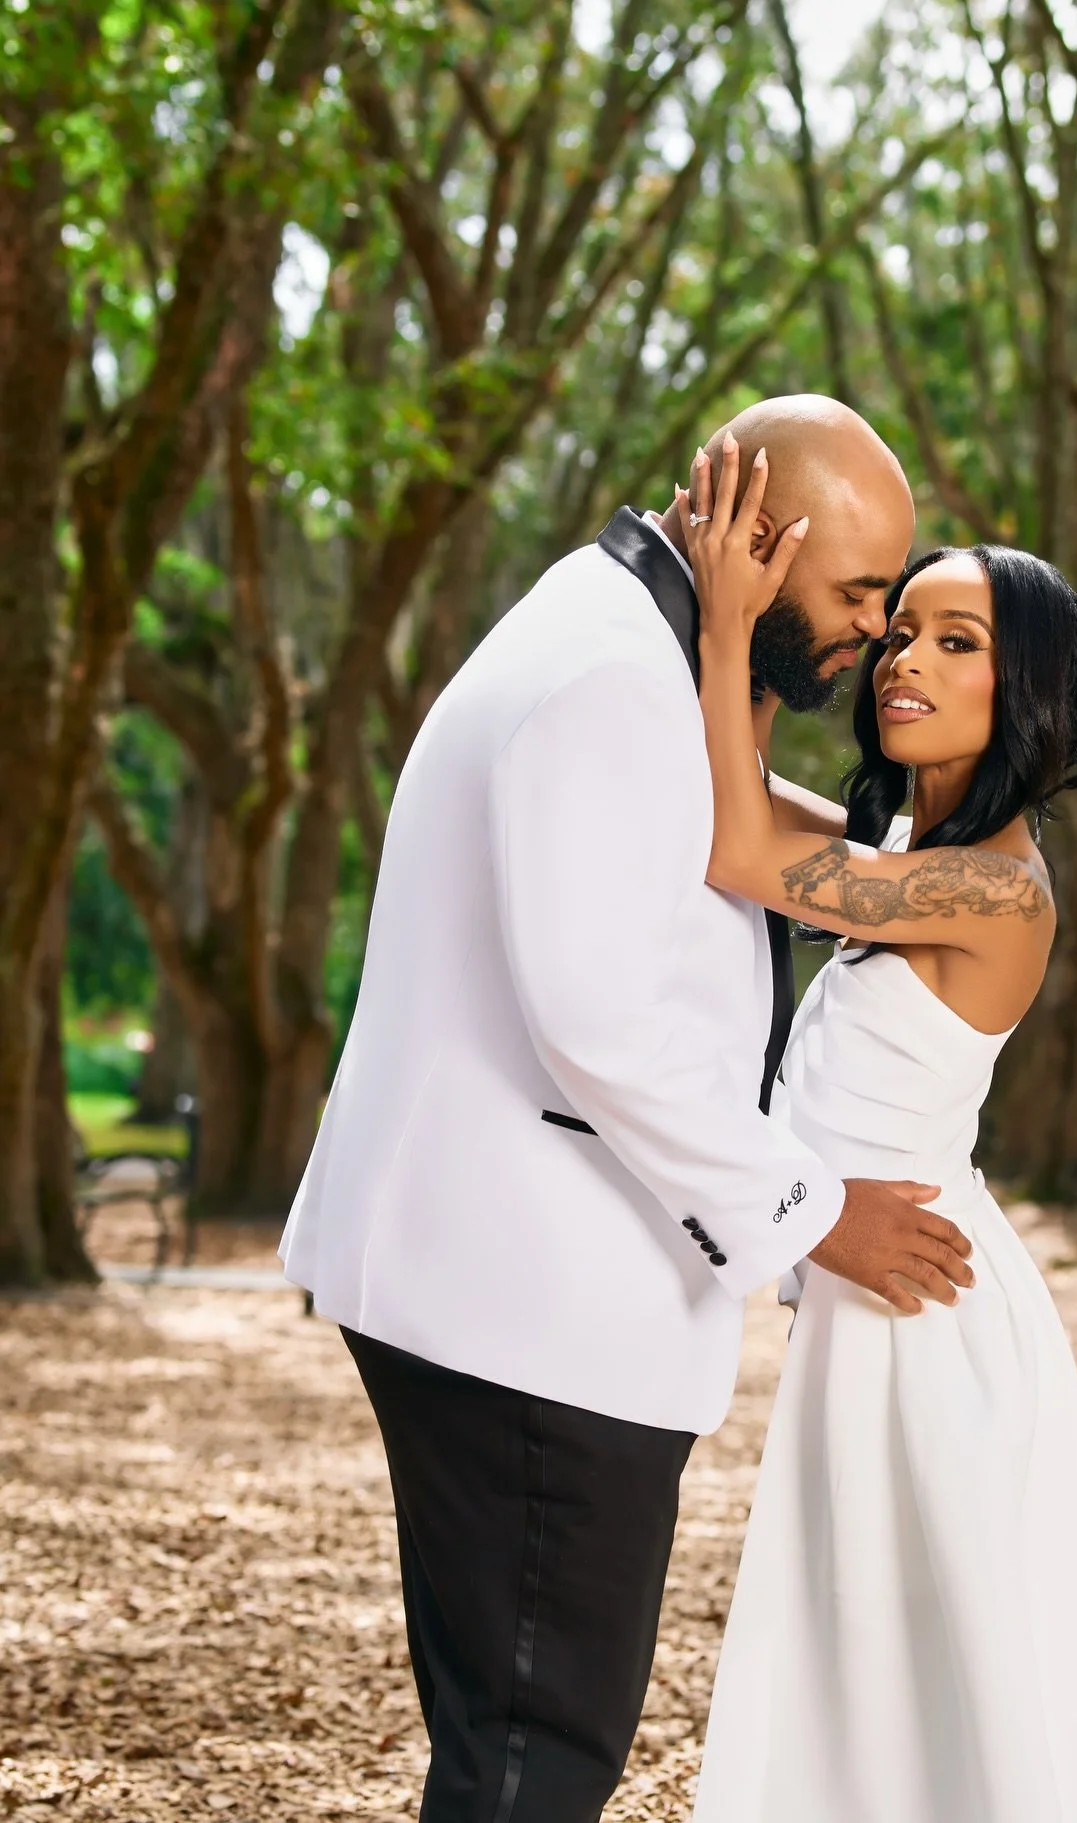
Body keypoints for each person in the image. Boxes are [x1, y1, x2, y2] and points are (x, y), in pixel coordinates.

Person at [278, 396, 977, 1823]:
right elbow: (601, 1017)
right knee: (537, 1757)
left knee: (518, 1748)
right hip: (528, 1313)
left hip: (504, 1288)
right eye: (854, 593)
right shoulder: (608, 675)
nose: (869, 633)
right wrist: (814, 1212)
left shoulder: (623, 643)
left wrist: (910, 856)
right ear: (756, 538)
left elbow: (711, 828)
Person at [685, 436, 1077, 1822]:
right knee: (869, 1684)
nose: (903, 657)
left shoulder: (1000, 895)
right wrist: (752, 653)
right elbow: (733, 808)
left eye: (954, 639)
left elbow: (738, 849)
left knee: (951, 1689)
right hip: (872, 1299)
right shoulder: (912, 867)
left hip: (928, 1318)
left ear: (1023, 688)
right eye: (898, 627)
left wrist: (734, 619)